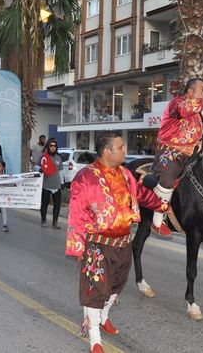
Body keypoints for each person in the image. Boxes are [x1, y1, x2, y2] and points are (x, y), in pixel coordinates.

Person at [65, 131, 140, 353]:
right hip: (98, 245)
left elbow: (138, 197)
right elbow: (76, 213)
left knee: (117, 285)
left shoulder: (126, 174)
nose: (125, 151)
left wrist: (162, 201)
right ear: (107, 151)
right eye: (121, 147)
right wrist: (77, 246)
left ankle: (104, 317)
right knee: (95, 289)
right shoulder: (85, 177)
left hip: (124, 243)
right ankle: (95, 340)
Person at [141, 77, 203, 237]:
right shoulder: (177, 103)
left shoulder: (197, 114)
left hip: (191, 154)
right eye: (202, 89)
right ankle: (157, 220)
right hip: (171, 151)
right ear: (190, 92)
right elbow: (184, 110)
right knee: (167, 179)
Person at [38, 138, 64, 229]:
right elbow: (36, 167)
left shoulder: (59, 157)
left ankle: (55, 222)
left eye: (54, 146)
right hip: (46, 185)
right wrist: (39, 170)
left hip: (56, 185)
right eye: (51, 145)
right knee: (45, 204)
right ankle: (43, 220)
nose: (53, 147)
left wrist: (62, 183)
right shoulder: (43, 157)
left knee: (57, 204)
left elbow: (61, 171)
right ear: (48, 146)